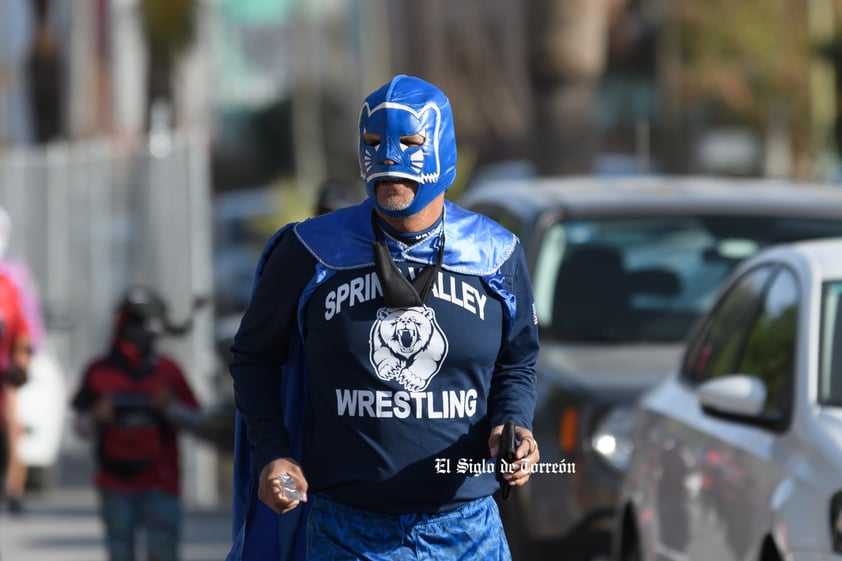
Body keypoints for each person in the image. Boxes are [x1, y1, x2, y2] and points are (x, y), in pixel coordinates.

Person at [227, 74, 540, 561]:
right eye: (374, 143)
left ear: (442, 147)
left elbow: (518, 362)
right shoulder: (310, 251)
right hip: (347, 532)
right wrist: (273, 451)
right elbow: (252, 357)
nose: (389, 158)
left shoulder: (495, 254)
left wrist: (513, 423)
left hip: (467, 532)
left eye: (410, 143)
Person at [71, 287, 204, 561]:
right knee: (120, 552)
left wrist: (169, 408)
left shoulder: (168, 372)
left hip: (161, 482)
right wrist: (97, 415)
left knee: (163, 552)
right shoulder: (99, 371)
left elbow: (197, 423)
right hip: (115, 483)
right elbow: (80, 427)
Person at [0, 205, 43, 515]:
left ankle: (13, 490)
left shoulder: (10, 281)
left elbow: (24, 330)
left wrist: (22, 363)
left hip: (5, 372)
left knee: (14, 426)